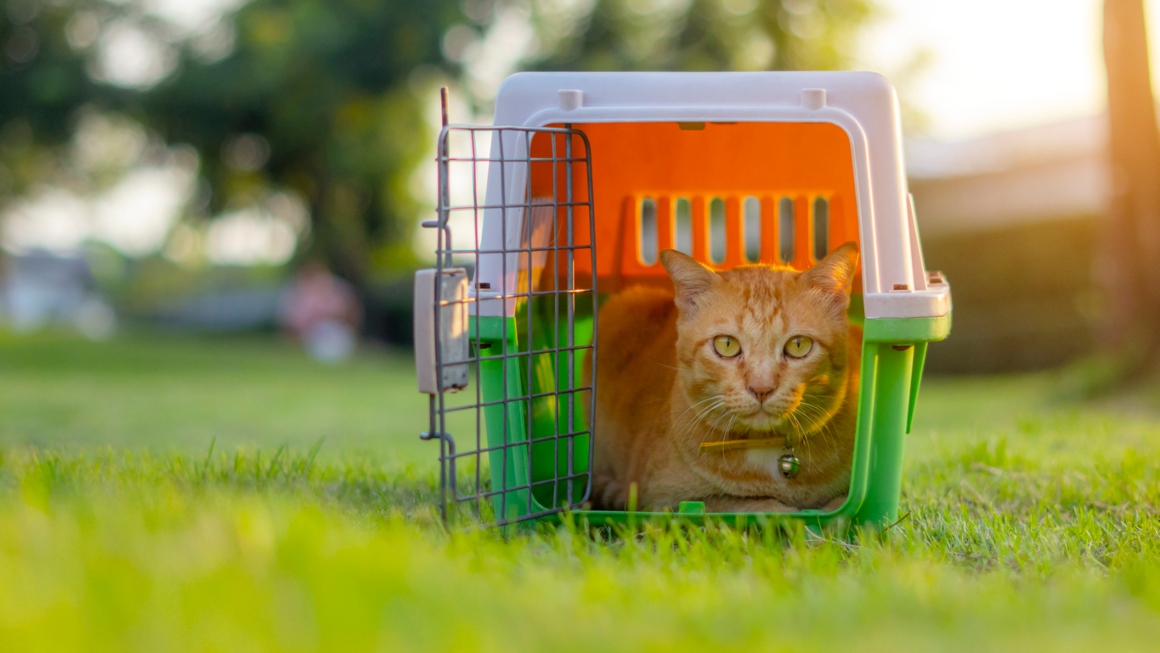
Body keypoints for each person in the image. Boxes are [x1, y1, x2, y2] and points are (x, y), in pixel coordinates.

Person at [281, 262, 362, 363]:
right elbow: (293, 325)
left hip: (336, 333)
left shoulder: (337, 292)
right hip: (313, 336)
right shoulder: (300, 297)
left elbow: (349, 316)